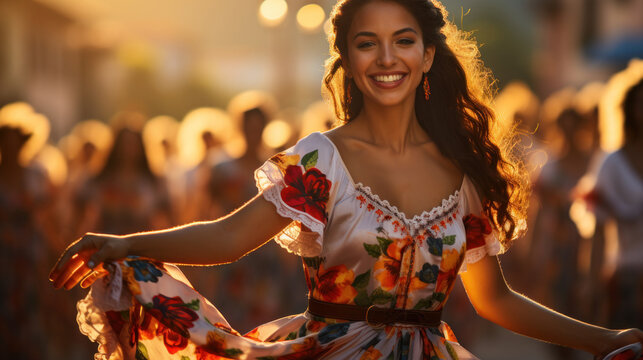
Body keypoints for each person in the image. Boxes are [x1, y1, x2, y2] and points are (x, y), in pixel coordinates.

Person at [50, 1, 642, 359]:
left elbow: (494, 300)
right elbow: (229, 238)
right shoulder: (321, 158)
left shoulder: (463, 175)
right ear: (349, 61)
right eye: (368, 43)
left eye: (403, 40)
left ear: (428, 55)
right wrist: (128, 245)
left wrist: (604, 339)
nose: (387, 58)